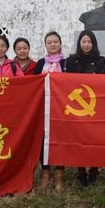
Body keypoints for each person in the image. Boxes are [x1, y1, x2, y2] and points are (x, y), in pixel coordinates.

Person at [66, 30, 105, 187]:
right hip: (77, 106)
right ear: (79, 43)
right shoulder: (71, 60)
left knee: (93, 138)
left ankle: (94, 171)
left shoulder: (100, 60)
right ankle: (80, 171)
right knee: (78, 138)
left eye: (89, 42)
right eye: (84, 41)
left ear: (93, 43)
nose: (86, 44)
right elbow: (67, 81)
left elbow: (102, 82)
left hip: (94, 104)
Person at [34, 31, 68, 191]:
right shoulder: (41, 63)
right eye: (49, 42)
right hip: (44, 106)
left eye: (55, 41)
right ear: (45, 45)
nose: (52, 44)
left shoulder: (67, 63)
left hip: (62, 108)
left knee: (61, 139)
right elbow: (33, 84)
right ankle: (45, 174)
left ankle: (59, 174)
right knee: (44, 139)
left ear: (60, 43)